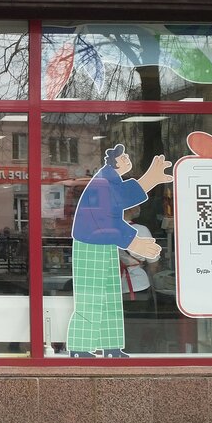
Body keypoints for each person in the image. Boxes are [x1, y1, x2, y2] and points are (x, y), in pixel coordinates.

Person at [67, 144, 172, 358]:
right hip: (90, 245)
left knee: (110, 299)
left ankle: (111, 348)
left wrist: (151, 178)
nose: (127, 160)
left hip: (101, 244)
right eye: (123, 157)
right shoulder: (102, 183)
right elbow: (108, 217)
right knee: (92, 299)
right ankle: (80, 348)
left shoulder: (109, 181)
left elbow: (123, 197)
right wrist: (134, 242)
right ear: (114, 163)